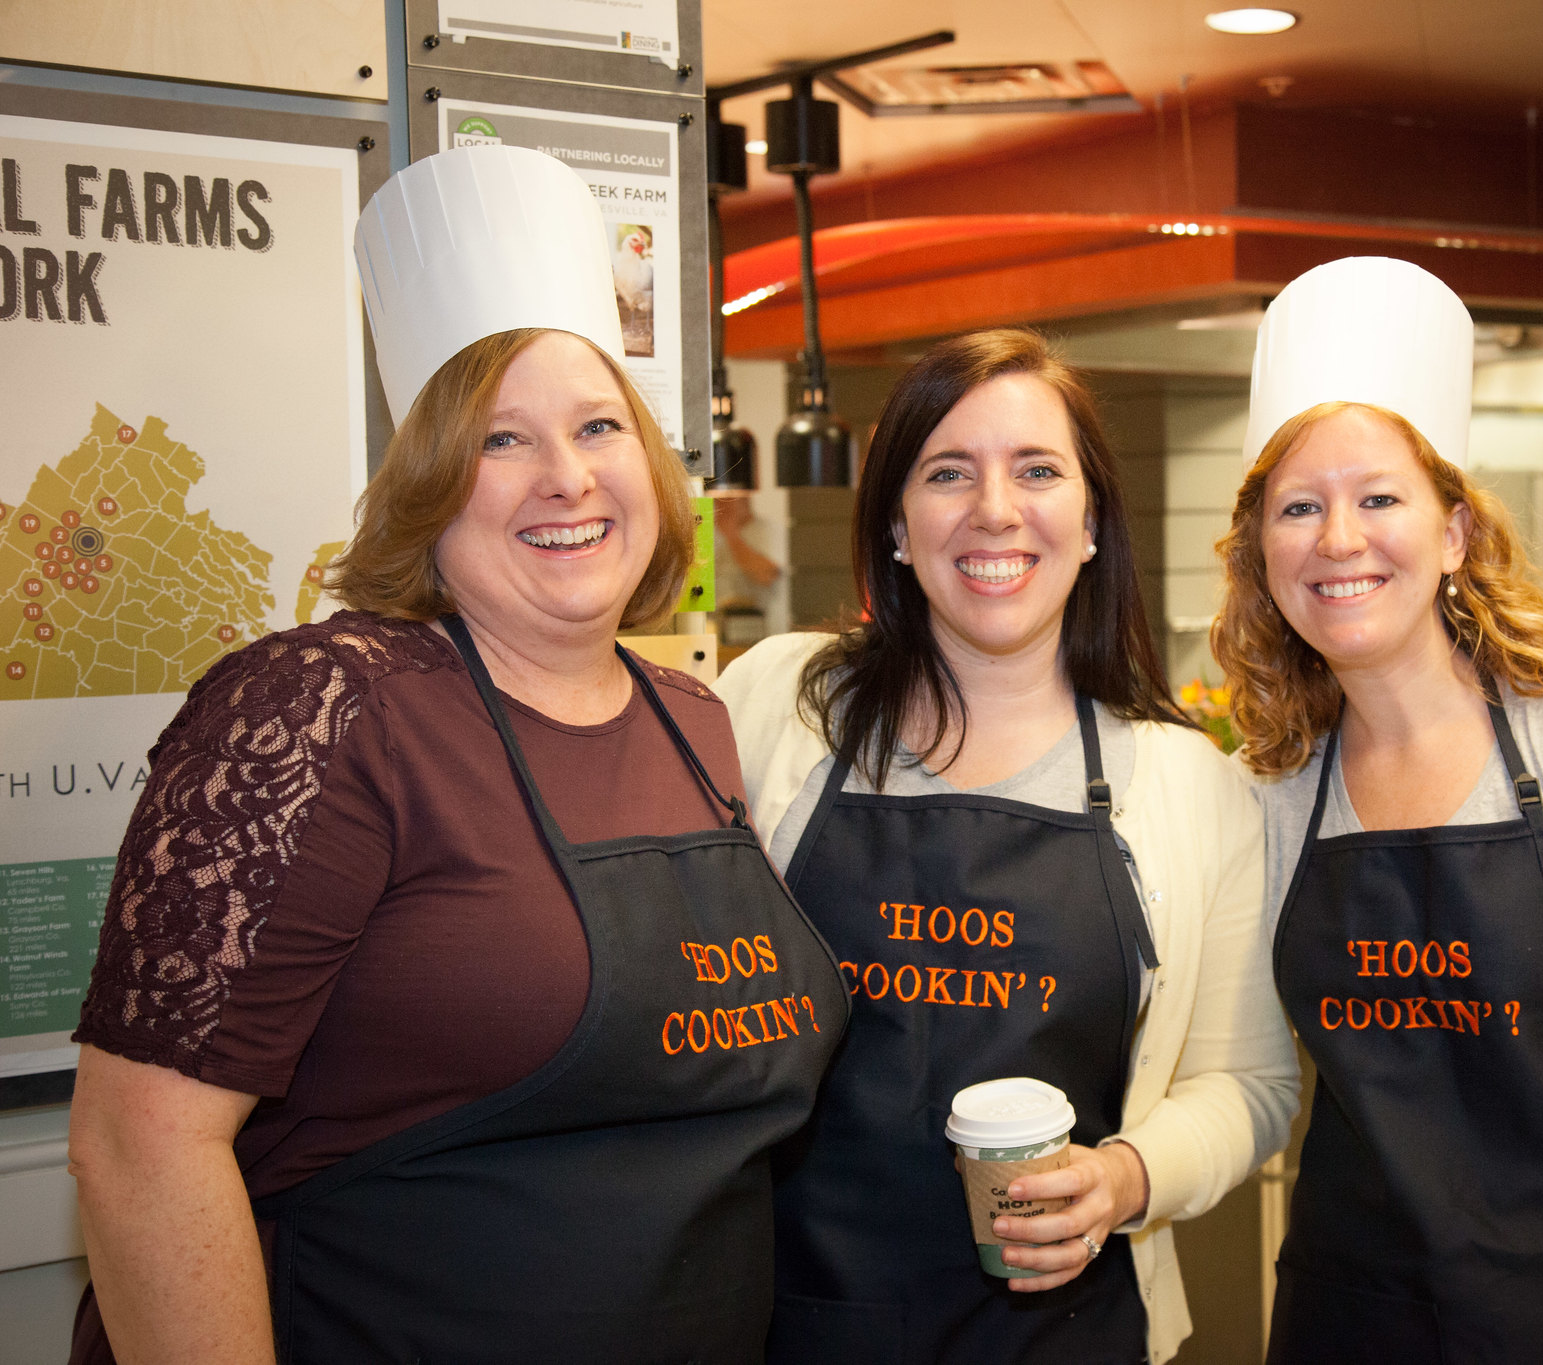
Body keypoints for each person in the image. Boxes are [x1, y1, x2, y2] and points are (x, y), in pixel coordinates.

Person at [64, 145, 847, 1365]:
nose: (568, 478)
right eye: (499, 442)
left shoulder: (689, 720)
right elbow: (141, 1146)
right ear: (428, 480)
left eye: (599, 425)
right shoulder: (321, 710)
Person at [714, 329, 1297, 1365]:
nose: (994, 509)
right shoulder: (774, 708)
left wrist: (1123, 1179)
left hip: (1069, 1335)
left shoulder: (1185, 783)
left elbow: (1248, 1086)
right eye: (948, 473)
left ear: (1088, 523)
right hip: (792, 1321)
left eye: (1036, 471)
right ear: (896, 523)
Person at [1213, 258, 1543, 1365]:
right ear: (1261, 553)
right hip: (1348, 1321)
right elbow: (1246, 1077)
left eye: (1378, 498)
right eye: (1298, 508)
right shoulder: (1270, 788)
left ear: (1453, 532)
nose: (1338, 539)